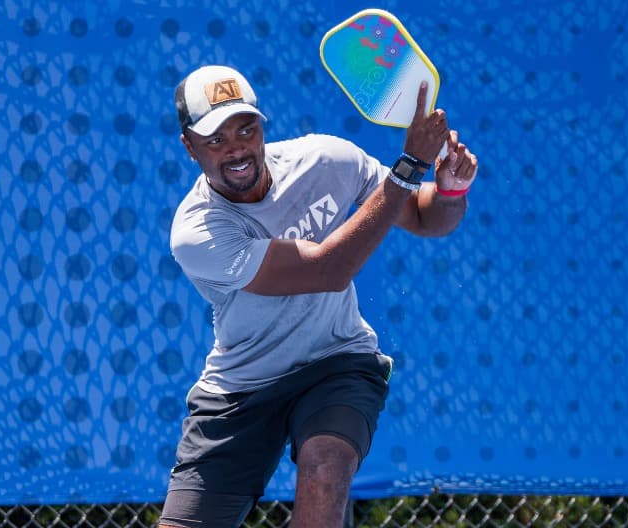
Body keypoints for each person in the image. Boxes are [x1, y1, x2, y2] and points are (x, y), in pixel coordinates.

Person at [159, 64, 478, 528]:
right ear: (190, 147)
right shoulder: (197, 231)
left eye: (246, 129)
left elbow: (426, 218)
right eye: (216, 140)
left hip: (337, 359)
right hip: (241, 388)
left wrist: (450, 190)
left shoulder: (325, 160)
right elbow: (329, 269)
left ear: (262, 126)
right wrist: (408, 166)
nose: (237, 149)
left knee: (326, 470)